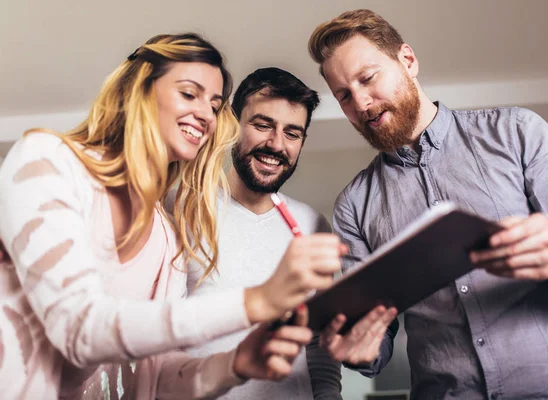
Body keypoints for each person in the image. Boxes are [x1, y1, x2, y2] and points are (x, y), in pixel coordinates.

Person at [0, 33, 344, 399]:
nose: (205, 114)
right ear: (141, 89)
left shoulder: (164, 232)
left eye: (213, 105)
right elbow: (79, 330)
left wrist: (236, 364)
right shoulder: (45, 160)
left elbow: (157, 373)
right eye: (189, 93)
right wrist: (256, 301)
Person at [307, 9, 548, 399]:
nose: (360, 103)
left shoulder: (516, 133)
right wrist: (359, 352)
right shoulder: (353, 206)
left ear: (407, 61)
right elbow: (373, 344)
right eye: (344, 95)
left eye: (368, 78)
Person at [174, 67, 342, 399]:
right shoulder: (179, 208)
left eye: (292, 133)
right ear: (232, 125)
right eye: (262, 125)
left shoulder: (312, 225)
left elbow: (317, 342)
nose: (276, 144)